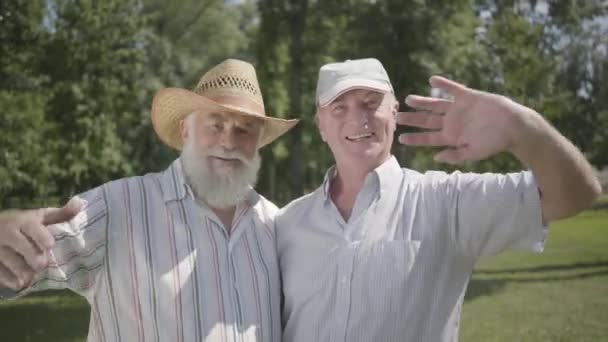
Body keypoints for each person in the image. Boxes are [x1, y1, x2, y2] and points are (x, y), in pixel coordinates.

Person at [275, 58, 601, 341]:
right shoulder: (286, 223)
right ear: (320, 126)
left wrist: (521, 128)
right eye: (339, 107)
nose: (357, 118)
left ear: (394, 111)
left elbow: (576, 194)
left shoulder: (445, 202)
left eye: (371, 102)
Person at [0, 58, 297, 342]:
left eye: (245, 129)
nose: (229, 142)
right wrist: (9, 236)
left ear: (259, 142)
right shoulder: (117, 207)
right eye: (215, 124)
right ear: (185, 130)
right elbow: (18, 261)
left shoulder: (275, 225)